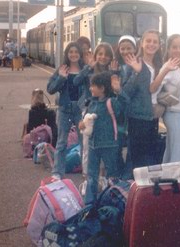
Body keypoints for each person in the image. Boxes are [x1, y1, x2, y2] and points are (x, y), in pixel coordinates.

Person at [79, 71, 128, 204]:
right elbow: (83, 121)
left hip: (109, 144)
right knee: (92, 174)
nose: (90, 88)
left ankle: (112, 200)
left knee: (112, 174)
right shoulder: (91, 103)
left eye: (93, 86)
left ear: (102, 88)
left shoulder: (111, 102)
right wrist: (82, 124)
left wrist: (119, 91)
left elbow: (124, 104)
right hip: (93, 144)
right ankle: (90, 202)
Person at [74, 41, 115, 181]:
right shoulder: (90, 69)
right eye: (100, 54)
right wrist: (87, 67)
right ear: (96, 54)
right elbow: (76, 81)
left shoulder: (112, 71)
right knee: (87, 144)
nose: (103, 57)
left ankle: (101, 177)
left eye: (107, 55)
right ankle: (87, 176)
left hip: (104, 112)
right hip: (88, 110)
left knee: (102, 144)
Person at [123, 29, 163, 172]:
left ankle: (145, 192)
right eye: (148, 41)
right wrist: (136, 72)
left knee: (150, 158)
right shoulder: (134, 63)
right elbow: (125, 93)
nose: (151, 44)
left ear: (159, 45)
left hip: (153, 118)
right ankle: (129, 190)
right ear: (141, 43)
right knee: (136, 160)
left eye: (155, 42)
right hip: (138, 117)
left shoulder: (159, 66)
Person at [149, 34, 180, 171]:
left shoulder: (179, 66)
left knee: (173, 148)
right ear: (168, 48)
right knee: (179, 150)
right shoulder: (168, 66)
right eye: (174, 47)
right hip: (173, 114)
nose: (178, 50)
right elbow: (154, 89)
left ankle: (168, 182)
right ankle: (177, 184)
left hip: (179, 114)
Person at [47, 42, 84, 179]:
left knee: (84, 142)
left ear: (80, 54)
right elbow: (50, 89)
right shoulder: (61, 69)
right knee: (61, 142)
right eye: (71, 52)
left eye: (76, 52)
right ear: (67, 54)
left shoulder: (84, 70)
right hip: (64, 110)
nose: (73, 54)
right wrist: (61, 78)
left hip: (80, 111)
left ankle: (86, 170)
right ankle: (57, 173)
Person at [114, 35, 137, 178]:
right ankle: (121, 174)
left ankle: (127, 176)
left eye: (129, 48)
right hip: (117, 113)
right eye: (122, 48)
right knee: (117, 144)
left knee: (131, 146)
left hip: (131, 111)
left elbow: (129, 91)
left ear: (135, 49)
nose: (125, 51)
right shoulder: (116, 66)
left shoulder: (136, 66)